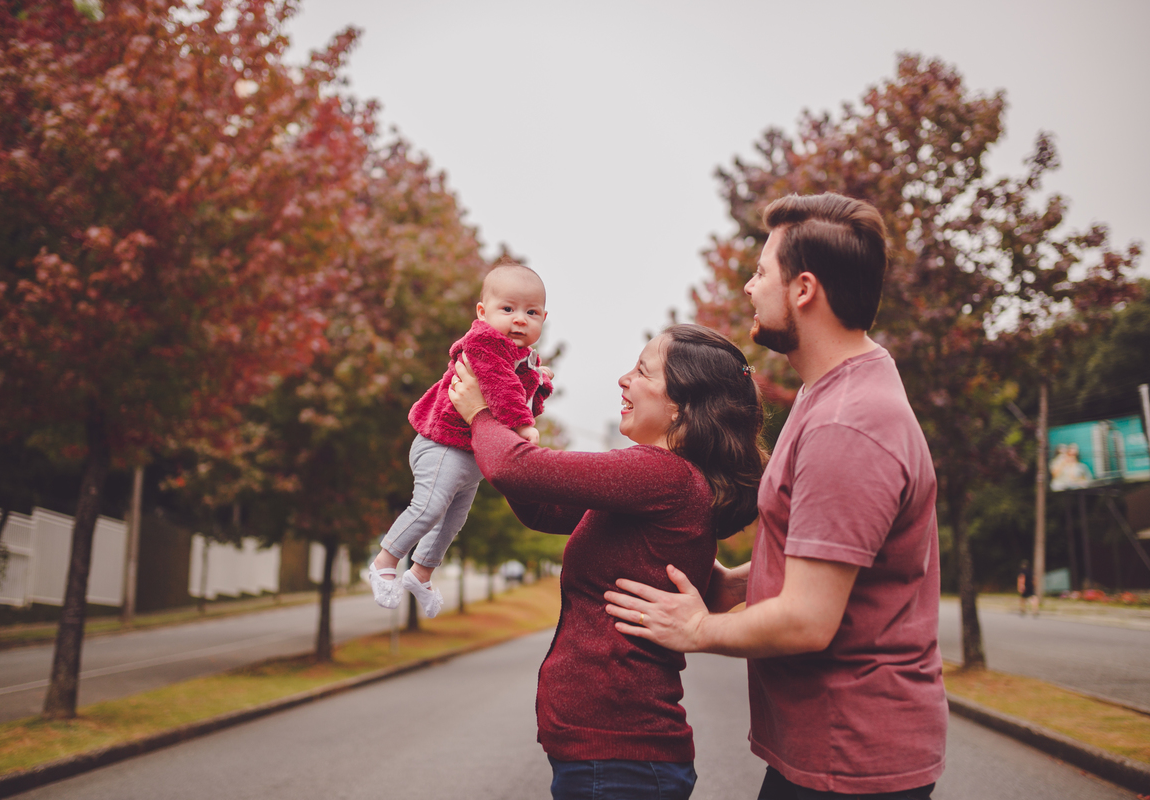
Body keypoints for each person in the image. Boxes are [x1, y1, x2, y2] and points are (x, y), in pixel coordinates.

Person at [605, 193, 947, 799]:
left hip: (850, 760)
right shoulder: (828, 394)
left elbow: (810, 620)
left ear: (804, 289)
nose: (748, 286)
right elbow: (833, 563)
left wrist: (697, 628)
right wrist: (732, 582)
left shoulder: (849, 423)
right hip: (823, 749)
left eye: (762, 272)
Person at [448, 323, 767, 800]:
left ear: (681, 404)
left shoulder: (661, 474)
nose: (623, 379)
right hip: (612, 758)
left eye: (642, 371)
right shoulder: (660, 485)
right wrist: (512, 419)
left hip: (621, 761)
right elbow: (539, 504)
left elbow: (517, 468)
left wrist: (480, 414)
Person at [367, 259, 553, 617]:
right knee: (429, 506)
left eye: (532, 312)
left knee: (453, 520)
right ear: (483, 313)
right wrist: (522, 425)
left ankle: (421, 572)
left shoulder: (523, 358)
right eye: (508, 309)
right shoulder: (485, 342)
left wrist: (539, 384)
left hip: (471, 456)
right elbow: (501, 389)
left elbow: (522, 397)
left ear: (544, 318)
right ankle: (384, 560)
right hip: (443, 445)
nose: (520, 319)